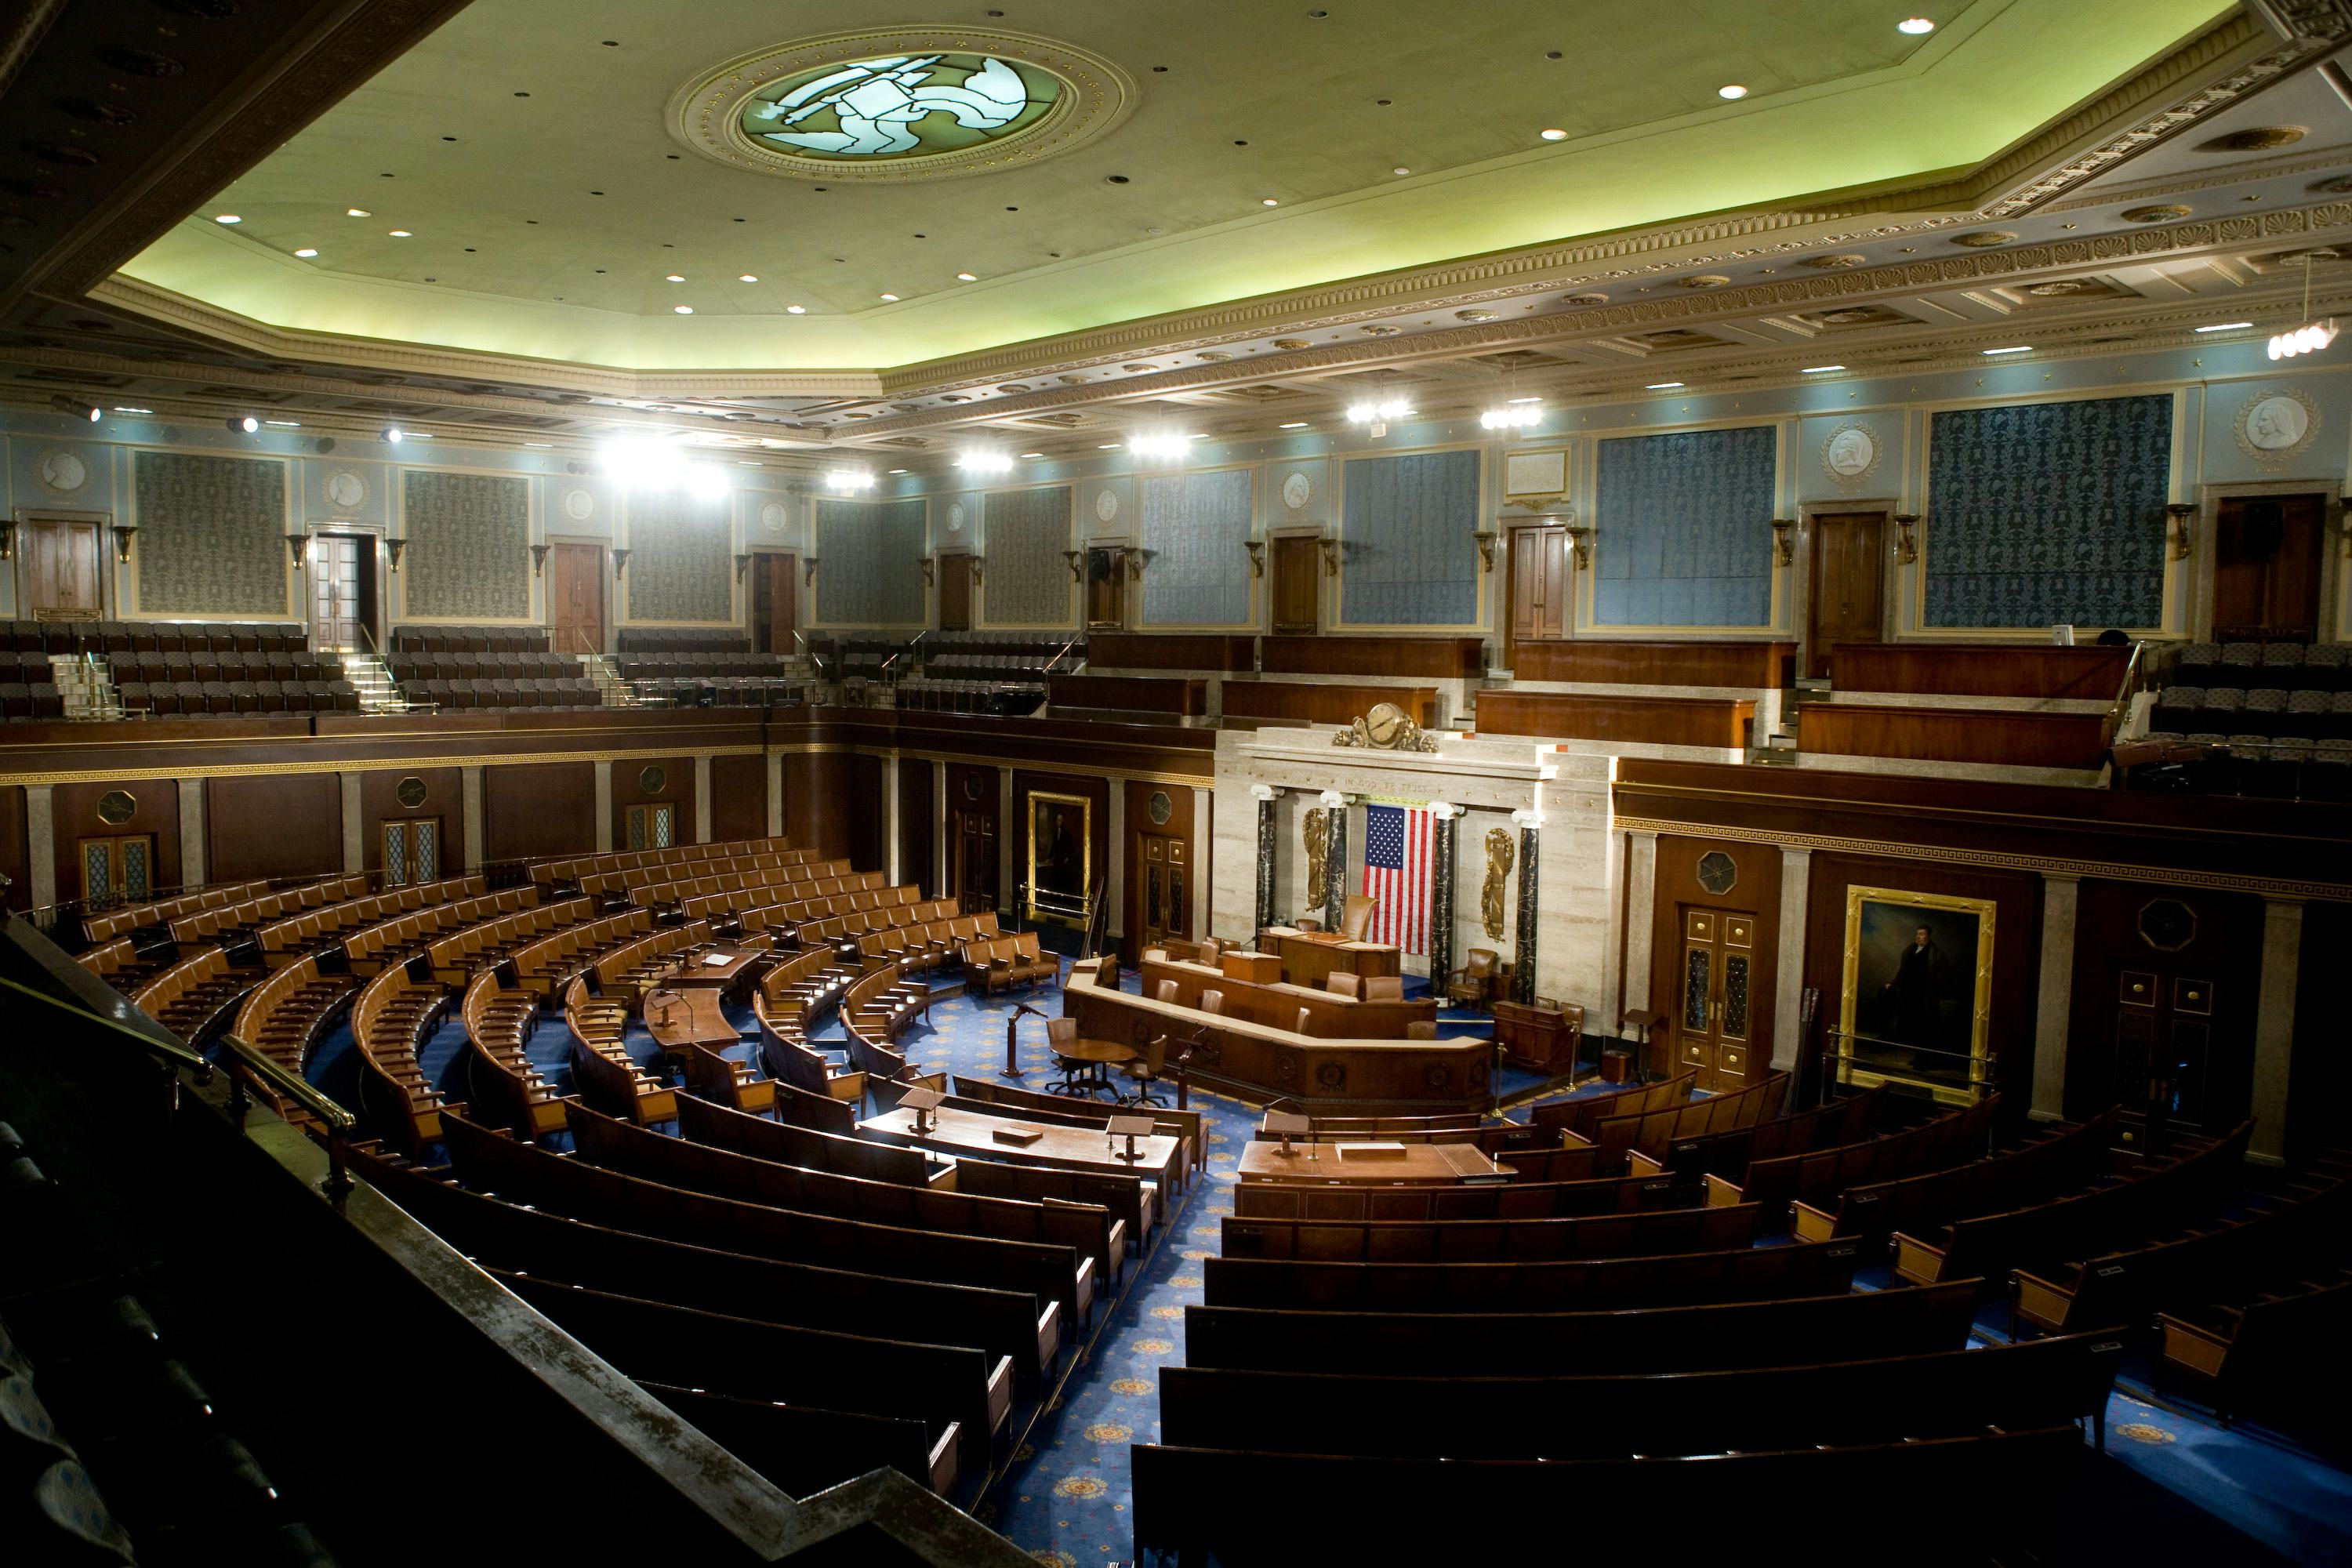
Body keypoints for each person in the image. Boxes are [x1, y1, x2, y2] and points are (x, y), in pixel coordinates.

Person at [1882, 924, 1947, 1048]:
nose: (1918, 937)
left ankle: (1920, 1046)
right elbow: (1903, 970)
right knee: (1906, 1014)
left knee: (1922, 1018)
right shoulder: (1910, 949)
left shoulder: (1935, 953)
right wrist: (1893, 984)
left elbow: (1941, 974)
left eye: (1922, 934)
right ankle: (1904, 1042)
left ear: (1928, 936)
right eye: (1918, 934)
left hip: (1924, 991)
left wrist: (1935, 989)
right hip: (1908, 989)